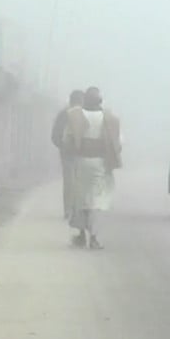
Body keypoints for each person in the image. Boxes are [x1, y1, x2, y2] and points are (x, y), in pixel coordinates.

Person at [62, 86, 122, 249]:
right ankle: (94, 238)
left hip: (80, 162)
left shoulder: (75, 116)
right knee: (96, 201)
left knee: (80, 200)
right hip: (100, 164)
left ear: (84, 101)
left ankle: (81, 235)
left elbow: (66, 140)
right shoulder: (109, 119)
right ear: (100, 101)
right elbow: (118, 143)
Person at [51, 90, 85, 220]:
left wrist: (62, 146)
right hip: (82, 154)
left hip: (67, 154)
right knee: (81, 182)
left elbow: (54, 135)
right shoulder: (85, 114)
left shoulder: (63, 114)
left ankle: (68, 210)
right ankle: (78, 209)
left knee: (69, 182)